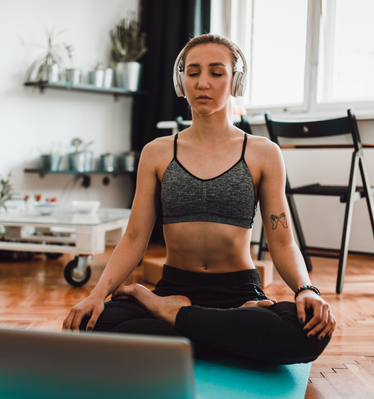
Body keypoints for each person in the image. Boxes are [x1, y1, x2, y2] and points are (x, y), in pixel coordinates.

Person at [63, 34, 335, 364]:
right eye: (193, 72)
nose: (202, 83)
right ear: (181, 82)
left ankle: (170, 317)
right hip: (175, 285)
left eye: (216, 72)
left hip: (239, 292)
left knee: (308, 332)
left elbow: (281, 240)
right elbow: (135, 238)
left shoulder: (264, 153)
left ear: (236, 81)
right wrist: (95, 295)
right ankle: (226, 335)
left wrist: (307, 290)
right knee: (94, 324)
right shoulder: (157, 152)